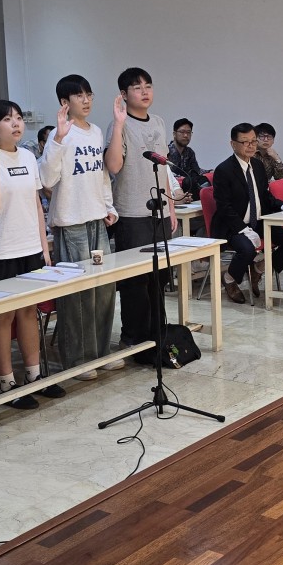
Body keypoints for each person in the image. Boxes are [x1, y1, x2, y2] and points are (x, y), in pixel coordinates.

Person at [0, 100, 56, 409]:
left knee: (28, 312)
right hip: (0, 250)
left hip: (30, 248)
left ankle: (34, 375)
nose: (16, 124)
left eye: (19, 118)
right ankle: (7, 382)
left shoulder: (29, 157)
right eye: (8, 119)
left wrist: (44, 246)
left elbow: (35, 203)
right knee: (4, 315)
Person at [39, 75, 118, 378]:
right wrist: (58, 140)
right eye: (79, 96)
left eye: (89, 94)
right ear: (64, 102)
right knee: (78, 295)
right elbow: (46, 179)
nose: (86, 100)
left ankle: (101, 351)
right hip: (71, 221)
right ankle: (78, 359)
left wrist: (108, 206)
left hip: (97, 218)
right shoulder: (60, 135)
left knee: (104, 289)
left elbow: (101, 175)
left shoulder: (95, 132)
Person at [103, 67, 175, 361]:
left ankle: (156, 334)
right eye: (136, 87)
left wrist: (171, 207)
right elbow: (113, 167)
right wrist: (119, 126)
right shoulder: (118, 125)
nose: (144, 92)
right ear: (123, 94)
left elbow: (164, 169)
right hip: (131, 213)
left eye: (148, 86)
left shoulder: (158, 122)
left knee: (159, 277)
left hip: (160, 212)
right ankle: (132, 338)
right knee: (136, 281)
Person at [211, 123, 283, 304]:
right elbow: (224, 207)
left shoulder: (257, 166)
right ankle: (229, 279)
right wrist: (243, 229)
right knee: (247, 249)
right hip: (233, 226)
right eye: (245, 142)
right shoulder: (224, 170)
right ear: (233, 144)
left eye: (253, 141)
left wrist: (282, 205)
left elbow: (264, 195)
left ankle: (258, 270)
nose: (250, 146)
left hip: (257, 222)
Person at [167, 118, 209, 200]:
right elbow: (168, 174)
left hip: (189, 184)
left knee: (206, 178)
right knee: (189, 181)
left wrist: (210, 171)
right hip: (175, 188)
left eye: (188, 132)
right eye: (182, 132)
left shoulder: (189, 152)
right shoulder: (166, 151)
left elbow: (196, 170)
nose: (186, 135)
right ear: (174, 134)